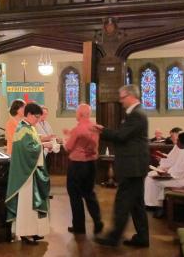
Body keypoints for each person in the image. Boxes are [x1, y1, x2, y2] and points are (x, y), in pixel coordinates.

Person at [94, 84, 150, 248]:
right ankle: (142, 237)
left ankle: (113, 238)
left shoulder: (137, 115)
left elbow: (122, 136)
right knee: (137, 203)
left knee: (123, 202)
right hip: (135, 166)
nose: (120, 101)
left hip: (132, 166)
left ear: (131, 96)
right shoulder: (136, 113)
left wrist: (102, 130)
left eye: (122, 97)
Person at [5, 102, 51, 245]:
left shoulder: (29, 127)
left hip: (31, 171)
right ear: (29, 115)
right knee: (27, 205)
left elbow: (33, 146)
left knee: (34, 203)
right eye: (36, 117)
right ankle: (25, 233)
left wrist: (42, 145)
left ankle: (33, 231)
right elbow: (28, 150)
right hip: (25, 175)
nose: (38, 120)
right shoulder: (22, 129)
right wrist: (43, 145)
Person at [63, 104, 103, 235]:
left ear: (79, 114)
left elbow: (68, 147)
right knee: (89, 193)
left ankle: (79, 227)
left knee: (75, 196)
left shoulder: (78, 129)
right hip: (91, 164)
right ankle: (97, 221)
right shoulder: (95, 128)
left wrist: (65, 138)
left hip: (77, 165)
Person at [145, 132, 184, 218]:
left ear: (183, 142)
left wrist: (166, 174)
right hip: (178, 177)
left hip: (183, 181)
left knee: (156, 182)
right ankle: (154, 205)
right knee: (153, 178)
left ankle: (158, 207)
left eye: (178, 140)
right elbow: (177, 166)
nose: (177, 142)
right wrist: (166, 172)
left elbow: (181, 172)